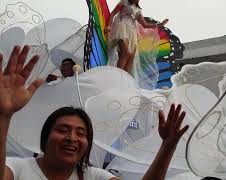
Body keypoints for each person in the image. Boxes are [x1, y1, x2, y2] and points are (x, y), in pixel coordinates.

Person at [0, 45, 189, 180]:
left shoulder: (93, 175)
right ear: (45, 136)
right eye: (63, 129)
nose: (72, 138)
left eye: (81, 133)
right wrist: (3, 116)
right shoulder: (18, 168)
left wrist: (167, 147)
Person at [105, 0, 168, 89]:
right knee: (125, 52)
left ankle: (124, 81)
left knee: (131, 56)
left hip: (132, 32)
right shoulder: (124, 2)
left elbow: (145, 25)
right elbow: (113, 13)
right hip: (122, 27)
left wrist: (159, 24)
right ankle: (117, 77)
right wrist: (108, 26)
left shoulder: (138, 10)